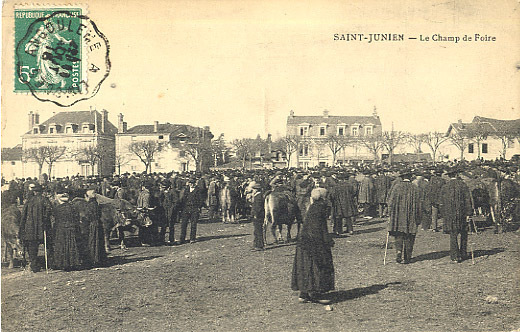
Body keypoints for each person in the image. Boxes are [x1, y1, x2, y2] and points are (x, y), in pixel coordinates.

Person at [291, 187, 334, 305]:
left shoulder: (312, 207)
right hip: (313, 242)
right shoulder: (319, 208)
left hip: (304, 241)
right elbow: (319, 228)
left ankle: (303, 293)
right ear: (322, 198)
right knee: (316, 266)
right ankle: (316, 293)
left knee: (303, 267)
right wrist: (327, 240)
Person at [387, 172, 423, 264]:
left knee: (399, 234)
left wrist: (389, 213)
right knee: (410, 235)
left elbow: (390, 202)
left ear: (402, 177)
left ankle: (399, 251)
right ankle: (407, 256)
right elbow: (419, 204)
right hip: (411, 215)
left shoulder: (396, 187)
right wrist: (419, 217)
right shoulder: (415, 188)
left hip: (398, 215)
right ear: (411, 177)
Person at [439, 170, 473, 263]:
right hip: (462, 214)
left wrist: (443, 215)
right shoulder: (463, 185)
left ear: (449, 176)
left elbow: (441, 203)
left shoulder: (444, 187)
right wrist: (469, 213)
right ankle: (463, 253)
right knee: (464, 234)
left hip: (450, 215)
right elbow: (468, 200)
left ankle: (454, 256)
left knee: (453, 235)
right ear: (457, 175)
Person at [19, 183, 52, 272]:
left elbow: (23, 216)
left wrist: (22, 228)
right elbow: (49, 210)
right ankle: (49, 263)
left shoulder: (28, 201)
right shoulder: (44, 200)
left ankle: (34, 265)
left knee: (32, 247)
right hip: (42, 228)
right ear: (41, 192)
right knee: (47, 245)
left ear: (34, 192)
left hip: (30, 229)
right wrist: (45, 219)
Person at [52, 187, 81, 271]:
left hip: (61, 229)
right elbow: (76, 218)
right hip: (71, 228)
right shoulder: (73, 207)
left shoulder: (57, 209)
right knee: (71, 245)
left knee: (62, 246)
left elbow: (55, 219)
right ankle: (73, 262)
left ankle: (63, 264)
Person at [84, 186, 107, 267]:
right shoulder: (96, 203)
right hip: (98, 224)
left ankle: (94, 259)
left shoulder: (90, 204)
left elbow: (88, 216)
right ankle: (100, 259)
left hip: (93, 225)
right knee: (99, 242)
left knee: (93, 241)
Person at [250, 182, 265, 251]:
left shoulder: (258, 197)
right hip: (258, 215)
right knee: (256, 231)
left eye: (253, 189)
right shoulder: (258, 195)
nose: (252, 190)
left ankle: (259, 245)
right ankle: (256, 244)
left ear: (256, 189)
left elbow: (258, 207)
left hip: (258, 216)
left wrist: (255, 214)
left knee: (258, 231)